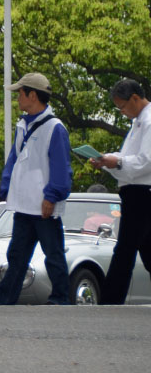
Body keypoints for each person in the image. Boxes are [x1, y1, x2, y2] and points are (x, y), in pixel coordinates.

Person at [0, 72, 72, 305]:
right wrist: (6, 186)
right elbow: (14, 159)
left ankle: (60, 299)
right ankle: (4, 299)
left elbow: (61, 167)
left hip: (43, 203)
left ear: (33, 96)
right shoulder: (23, 125)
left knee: (53, 253)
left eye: (21, 93)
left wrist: (52, 196)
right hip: (24, 203)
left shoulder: (55, 127)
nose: (18, 98)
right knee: (17, 254)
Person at [89, 78, 151, 304]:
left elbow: (146, 161)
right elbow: (128, 157)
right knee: (144, 247)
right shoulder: (138, 122)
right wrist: (107, 160)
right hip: (136, 191)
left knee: (125, 249)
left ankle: (110, 300)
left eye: (122, 107)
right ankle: (111, 299)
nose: (122, 112)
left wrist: (116, 162)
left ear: (135, 98)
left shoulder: (149, 121)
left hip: (142, 191)